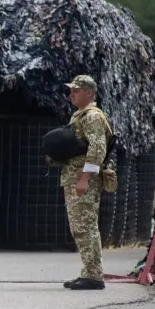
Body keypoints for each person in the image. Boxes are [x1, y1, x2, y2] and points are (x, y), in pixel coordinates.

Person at [60, 75, 113, 290]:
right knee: (80, 227)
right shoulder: (80, 115)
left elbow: (97, 149)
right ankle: (89, 271)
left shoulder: (91, 116)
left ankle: (93, 275)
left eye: (76, 90)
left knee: (85, 227)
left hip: (83, 180)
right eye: (71, 91)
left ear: (89, 93)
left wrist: (84, 178)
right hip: (74, 178)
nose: (71, 94)